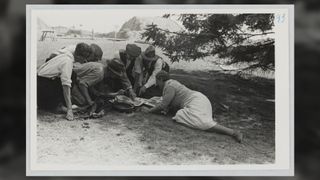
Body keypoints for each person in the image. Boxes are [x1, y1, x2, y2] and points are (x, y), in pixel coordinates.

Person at [147, 71, 243, 143]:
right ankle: (231, 132)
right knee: (196, 120)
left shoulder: (170, 86)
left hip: (196, 101)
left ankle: (233, 132)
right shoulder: (171, 83)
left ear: (160, 79)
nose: (156, 84)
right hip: (198, 99)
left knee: (193, 120)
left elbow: (163, 105)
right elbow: (168, 103)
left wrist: (148, 112)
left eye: (157, 81)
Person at [37, 42, 91, 120]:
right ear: (78, 56)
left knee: (72, 74)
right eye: (84, 58)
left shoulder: (64, 55)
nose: (85, 61)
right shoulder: (67, 61)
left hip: (39, 86)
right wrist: (69, 109)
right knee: (71, 76)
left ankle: (53, 104)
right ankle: (55, 106)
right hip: (43, 88)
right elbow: (66, 85)